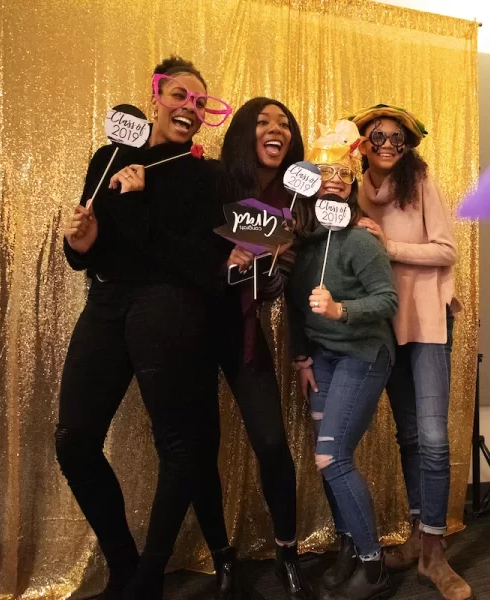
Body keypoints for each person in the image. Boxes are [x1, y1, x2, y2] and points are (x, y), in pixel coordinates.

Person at [57, 56, 233, 599]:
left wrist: (134, 206)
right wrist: (77, 244)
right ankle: (124, 566)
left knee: (178, 443)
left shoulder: (208, 177)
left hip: (171, 304)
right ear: (156, 95)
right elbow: (90, 249)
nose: (190, 108)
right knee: (74, 441)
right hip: (109, 297)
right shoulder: (109, 157)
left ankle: (148, 577)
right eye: (181, 96)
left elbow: (202, 265)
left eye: (201, 104)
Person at [348, 104, 472, 600]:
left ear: (408, 147)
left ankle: (436, 552)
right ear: (362, 142)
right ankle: (420, 538)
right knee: (409, 438)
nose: (387, 144)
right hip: (381, 324)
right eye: (378, 135)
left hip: (425, 320)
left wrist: (388, 246)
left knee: (434, 437)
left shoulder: (420, 185)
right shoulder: (350, 191)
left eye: (398, 139)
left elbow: (445, 250)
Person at [204, 97, 313, 600]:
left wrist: (269, 264)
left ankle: (286, 551)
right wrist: (222, 258)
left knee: (271, 442)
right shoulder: (216, 182)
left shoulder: (296, 204)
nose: (278, 129)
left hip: (244, 330)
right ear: (246, 133)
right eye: (265, 122)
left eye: (285, 124)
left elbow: (277, 289)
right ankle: (223, 558)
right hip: (192, 328)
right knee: (197, 450)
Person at [287, 121, 399, 600]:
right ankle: (349, 548)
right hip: (325, 358)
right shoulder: (308, 241)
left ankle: (373, 564)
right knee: (325, 456)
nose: (333, 182)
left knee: (332, 457)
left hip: (364, 354)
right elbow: (295, 304)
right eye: (324, 174)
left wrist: (340, 309)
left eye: (342, 176)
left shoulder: (361, 240)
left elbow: (387, 301)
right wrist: (303, 357)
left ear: (352, 187)